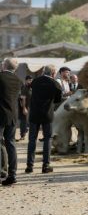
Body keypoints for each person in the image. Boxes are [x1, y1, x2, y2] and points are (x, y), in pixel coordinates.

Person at [25, 65, 62, 175]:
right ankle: (46, 165)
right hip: (47, 114)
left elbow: (30, 90)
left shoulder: (35, 81)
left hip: (34, 114)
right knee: (47, 139)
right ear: (53, 73)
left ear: (43, 71)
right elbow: (58, 100)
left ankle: (29, 166)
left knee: (32, 140)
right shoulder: (55, 84)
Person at [0, 58, 22, 186]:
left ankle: (2, 171)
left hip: (0, 115)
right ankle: (12, 174)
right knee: (11, 144)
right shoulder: (19, 81)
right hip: (12, 115)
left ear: (4, 65)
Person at [18, 75, 32, 142]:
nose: (30, 81)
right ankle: (22, 135)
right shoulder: (24, 87)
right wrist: (24, 108)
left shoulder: (31, 87)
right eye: (29, 80)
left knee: (27, 122)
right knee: (24, 121)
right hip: (25, 106)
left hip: (30, 106)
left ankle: (25, 131)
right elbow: (22, 98)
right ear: (26, 80)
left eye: (31, 80)